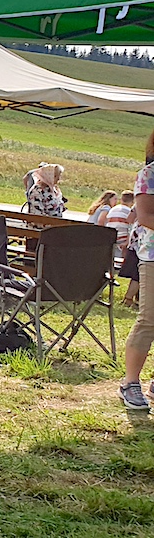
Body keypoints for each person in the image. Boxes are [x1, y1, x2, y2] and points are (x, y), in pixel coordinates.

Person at [119, 131, 154, 410]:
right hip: (153, 256)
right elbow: (145, 216)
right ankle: (130, 383)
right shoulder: (149, 174)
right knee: (149, 319)